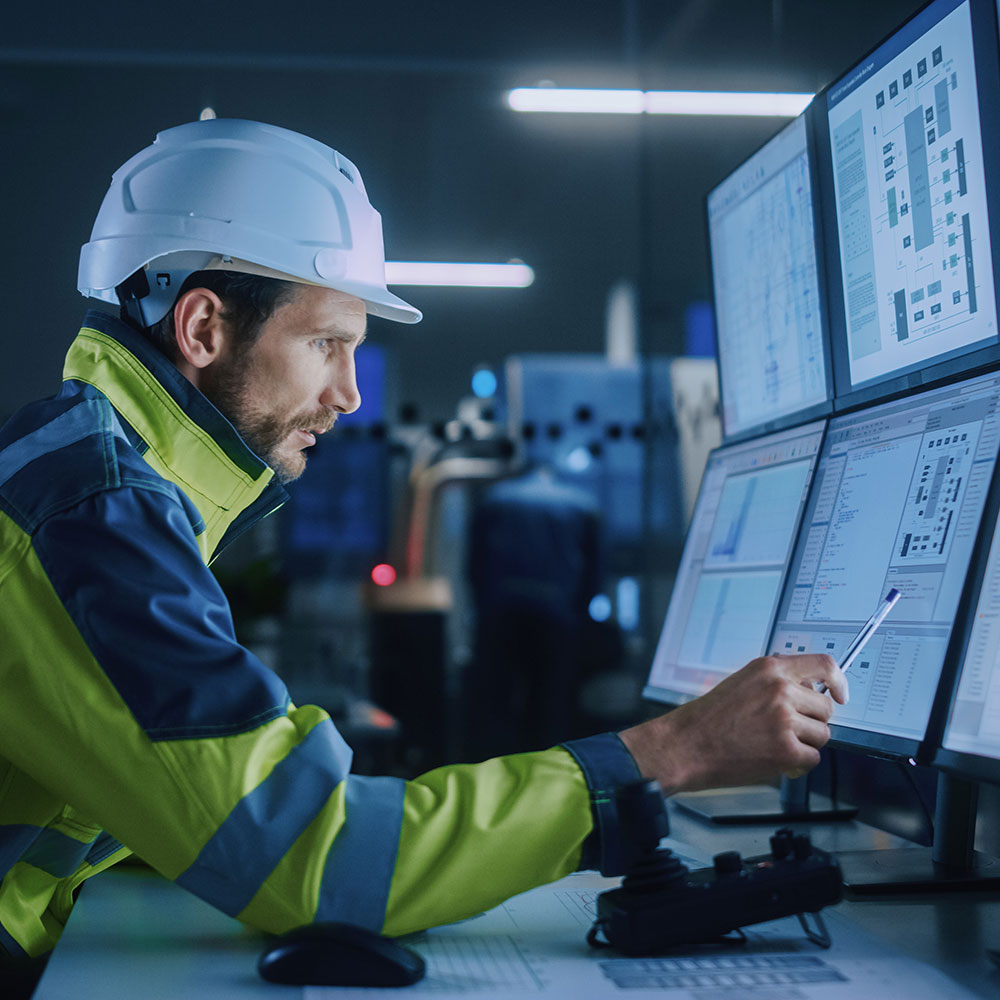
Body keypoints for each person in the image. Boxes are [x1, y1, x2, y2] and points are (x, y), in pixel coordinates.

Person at [0, 118, 847, 974]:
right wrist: (674, 752)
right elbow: (316, 861)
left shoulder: (97, 484)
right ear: (204, 328)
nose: (350, 393)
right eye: (327, 343)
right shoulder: (90, 519)